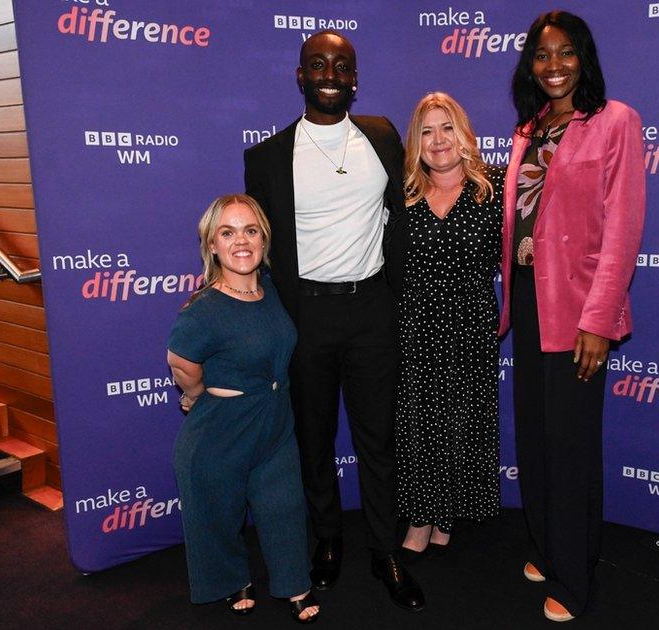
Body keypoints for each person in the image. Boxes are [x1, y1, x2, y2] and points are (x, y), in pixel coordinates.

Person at [242, 31, 424, 611]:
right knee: (314, 440)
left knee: (379, 441)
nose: (329, 73)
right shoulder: (266, 158)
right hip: (307, 317)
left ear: (355, 78)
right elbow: (256, 247)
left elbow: (410, 205)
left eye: (341, 65)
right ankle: (327, 539)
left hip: (373, 309)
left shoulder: (381, 137)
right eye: (317, 64)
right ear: (300, 76)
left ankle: (384, 549)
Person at [499, 11, 646, 622]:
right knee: (534, 434)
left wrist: (599, 319)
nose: (553, 65)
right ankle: (545, 543)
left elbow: (622, 228)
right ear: (529, 65)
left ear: (583, 58)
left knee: (571, 445)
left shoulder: (615, 122)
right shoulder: (527, 131)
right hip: (530, 302)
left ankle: (575, 574)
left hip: (581, 308)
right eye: (541, 54)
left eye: (565, 53)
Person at [167, 194, 320, 623]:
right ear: (211, 244)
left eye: (250, 231)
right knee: (217, 512)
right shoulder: (203, 308)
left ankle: (294, 583)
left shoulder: (271, 290)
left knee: (284, 505)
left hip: (274, 422)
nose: (241, 241)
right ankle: (233, 578)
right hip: (221, 430)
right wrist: (196, 396)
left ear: (263, 239)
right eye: (227, 232)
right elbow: (180, 362)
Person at [396, 92, 504, 556]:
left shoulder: (495, 189)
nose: (437, 140)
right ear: (415, 143)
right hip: (415, 325)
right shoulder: (402, 196)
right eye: (426, 130)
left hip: (471, 324)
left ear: (463, 135)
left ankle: (448, 514)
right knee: (419, 422)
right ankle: (421, 518)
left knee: (464, 420)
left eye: (446, 128)